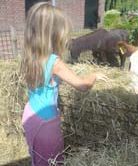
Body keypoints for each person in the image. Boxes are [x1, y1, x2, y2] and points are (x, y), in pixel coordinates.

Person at [21, 2, 107, 166]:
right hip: (46, 122)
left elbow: (46, 83)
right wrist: (93, 76)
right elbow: (82, 86)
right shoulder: (55, 62)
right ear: (54, 34)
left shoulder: (28, 57)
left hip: (30, 115)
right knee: (53, 161)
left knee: (38, 160)